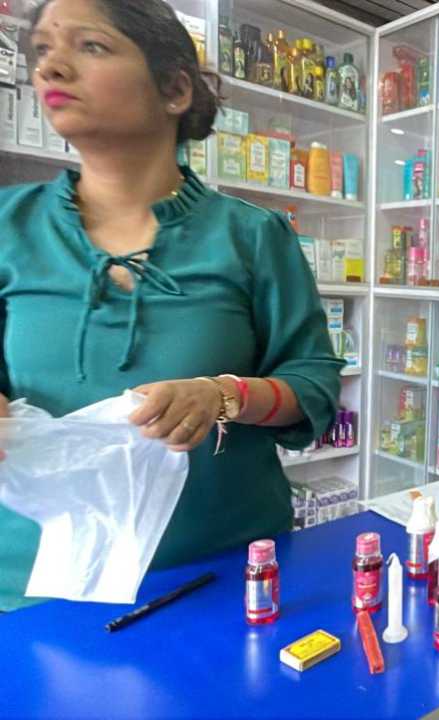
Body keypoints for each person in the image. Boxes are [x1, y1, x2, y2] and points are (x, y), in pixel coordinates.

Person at [0, 0, 343, 611]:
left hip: (223, 577)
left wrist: (223, 395)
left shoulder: (252, 236)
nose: (52, 67)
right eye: (43, 50)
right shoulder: (9, 227)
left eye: (91, 46)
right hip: (33, 589)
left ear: (175, 89)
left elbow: (313, 386)